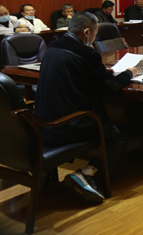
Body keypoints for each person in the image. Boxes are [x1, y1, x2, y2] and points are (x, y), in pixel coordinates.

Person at [34, 11, 137, 203]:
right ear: (87, 32)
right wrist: (129, 73)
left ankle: (48, 172)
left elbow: (75, 74)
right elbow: (111, 86)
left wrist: (101, 72)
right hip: (69, 125)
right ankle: (87, 174)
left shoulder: (53, 46)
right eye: (95, 34)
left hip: (42, 122)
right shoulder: (87, 53)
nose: (94, 38)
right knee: (120, 134)